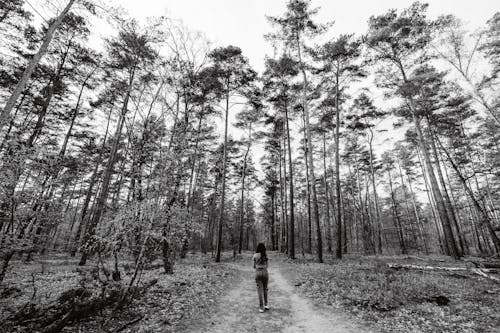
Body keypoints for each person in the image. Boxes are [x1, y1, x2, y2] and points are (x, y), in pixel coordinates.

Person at [253, 243, 269, 313]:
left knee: (260, 290)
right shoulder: (265, 255)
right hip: (265, 272)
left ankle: (261, 307)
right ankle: (266, 305)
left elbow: (253, 266)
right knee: (265, 289)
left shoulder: (255, 255)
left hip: (258, 273)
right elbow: (267, 266)